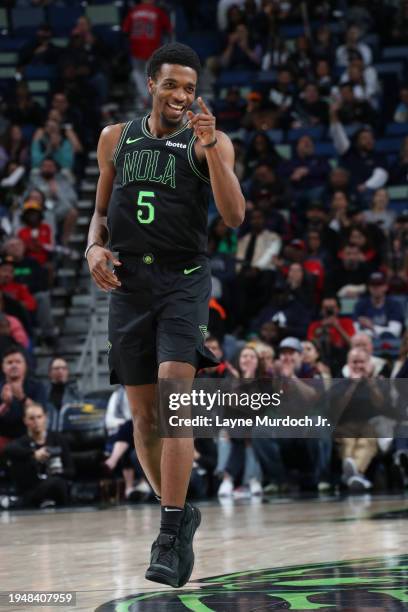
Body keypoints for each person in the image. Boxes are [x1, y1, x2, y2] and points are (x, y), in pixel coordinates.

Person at [85, 43, 245, 588]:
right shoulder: (115, 138)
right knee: (144, 420)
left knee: (177, 404)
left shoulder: (210, 142)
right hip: (129, 284)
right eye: (172, 85)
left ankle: (170, 532)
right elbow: (101, 212)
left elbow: (235, 214)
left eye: (190, 88)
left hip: (182, 280)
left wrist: (213, 151)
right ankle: (179, 510)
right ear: (151, 83)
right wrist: (92, 248)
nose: (182, 96)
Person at [5, 402, 74, 508]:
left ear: (45, 417)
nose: (36, 421)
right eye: (32, 418)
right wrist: (33, 454)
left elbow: (71, 470)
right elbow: (8, 449)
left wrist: (56, 471)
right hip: (32, 489)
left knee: (59, 483)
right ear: (25, 421)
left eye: (39, 417)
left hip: (56, 483)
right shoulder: (22, 442)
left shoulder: (58, 439)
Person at [0, 346, 47, 449]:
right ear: (3, 367)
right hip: (3, 439)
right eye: (10, 362)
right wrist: (5, 405)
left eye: (18, 362)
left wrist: (22, 398)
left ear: (25, 366)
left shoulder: (37, 386)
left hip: (30, 439)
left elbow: (41, 414)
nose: (14, 365)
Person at [354, 271, 404, 339]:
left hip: (390, 345)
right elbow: (356, 331)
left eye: (379, 285)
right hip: (367, 342)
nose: (376, 288)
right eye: (373, 285)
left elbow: (394, 332)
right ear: (369, 287)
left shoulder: (394, 305)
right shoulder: (360, 305)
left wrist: (371, 327)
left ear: (386, 287)